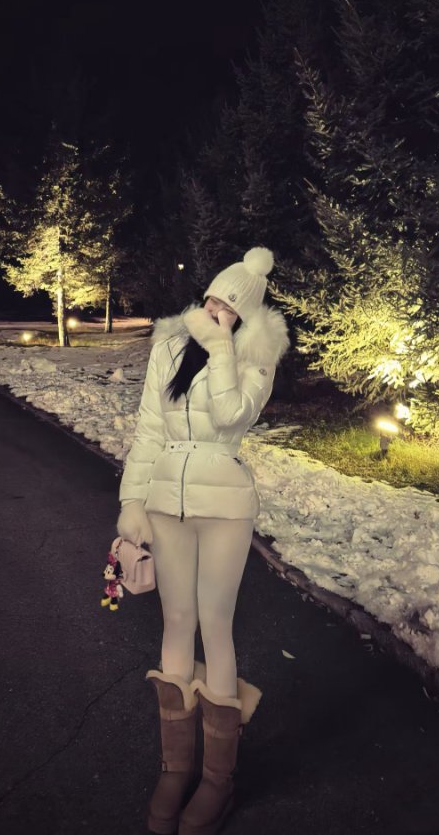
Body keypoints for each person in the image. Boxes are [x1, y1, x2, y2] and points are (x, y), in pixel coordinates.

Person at [117, 246, 289, 835]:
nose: (218, 311)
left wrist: (221, 350)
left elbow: (231, 416)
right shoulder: (168, 346)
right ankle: (176, 768)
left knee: (215, 625)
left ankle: (218, 780)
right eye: (214, 299)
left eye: (231, 308)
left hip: (224, 505)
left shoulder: (255, 356)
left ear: (246, 315)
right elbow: (148, 429)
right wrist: (132, 504)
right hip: (165, 500)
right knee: (175, 622)